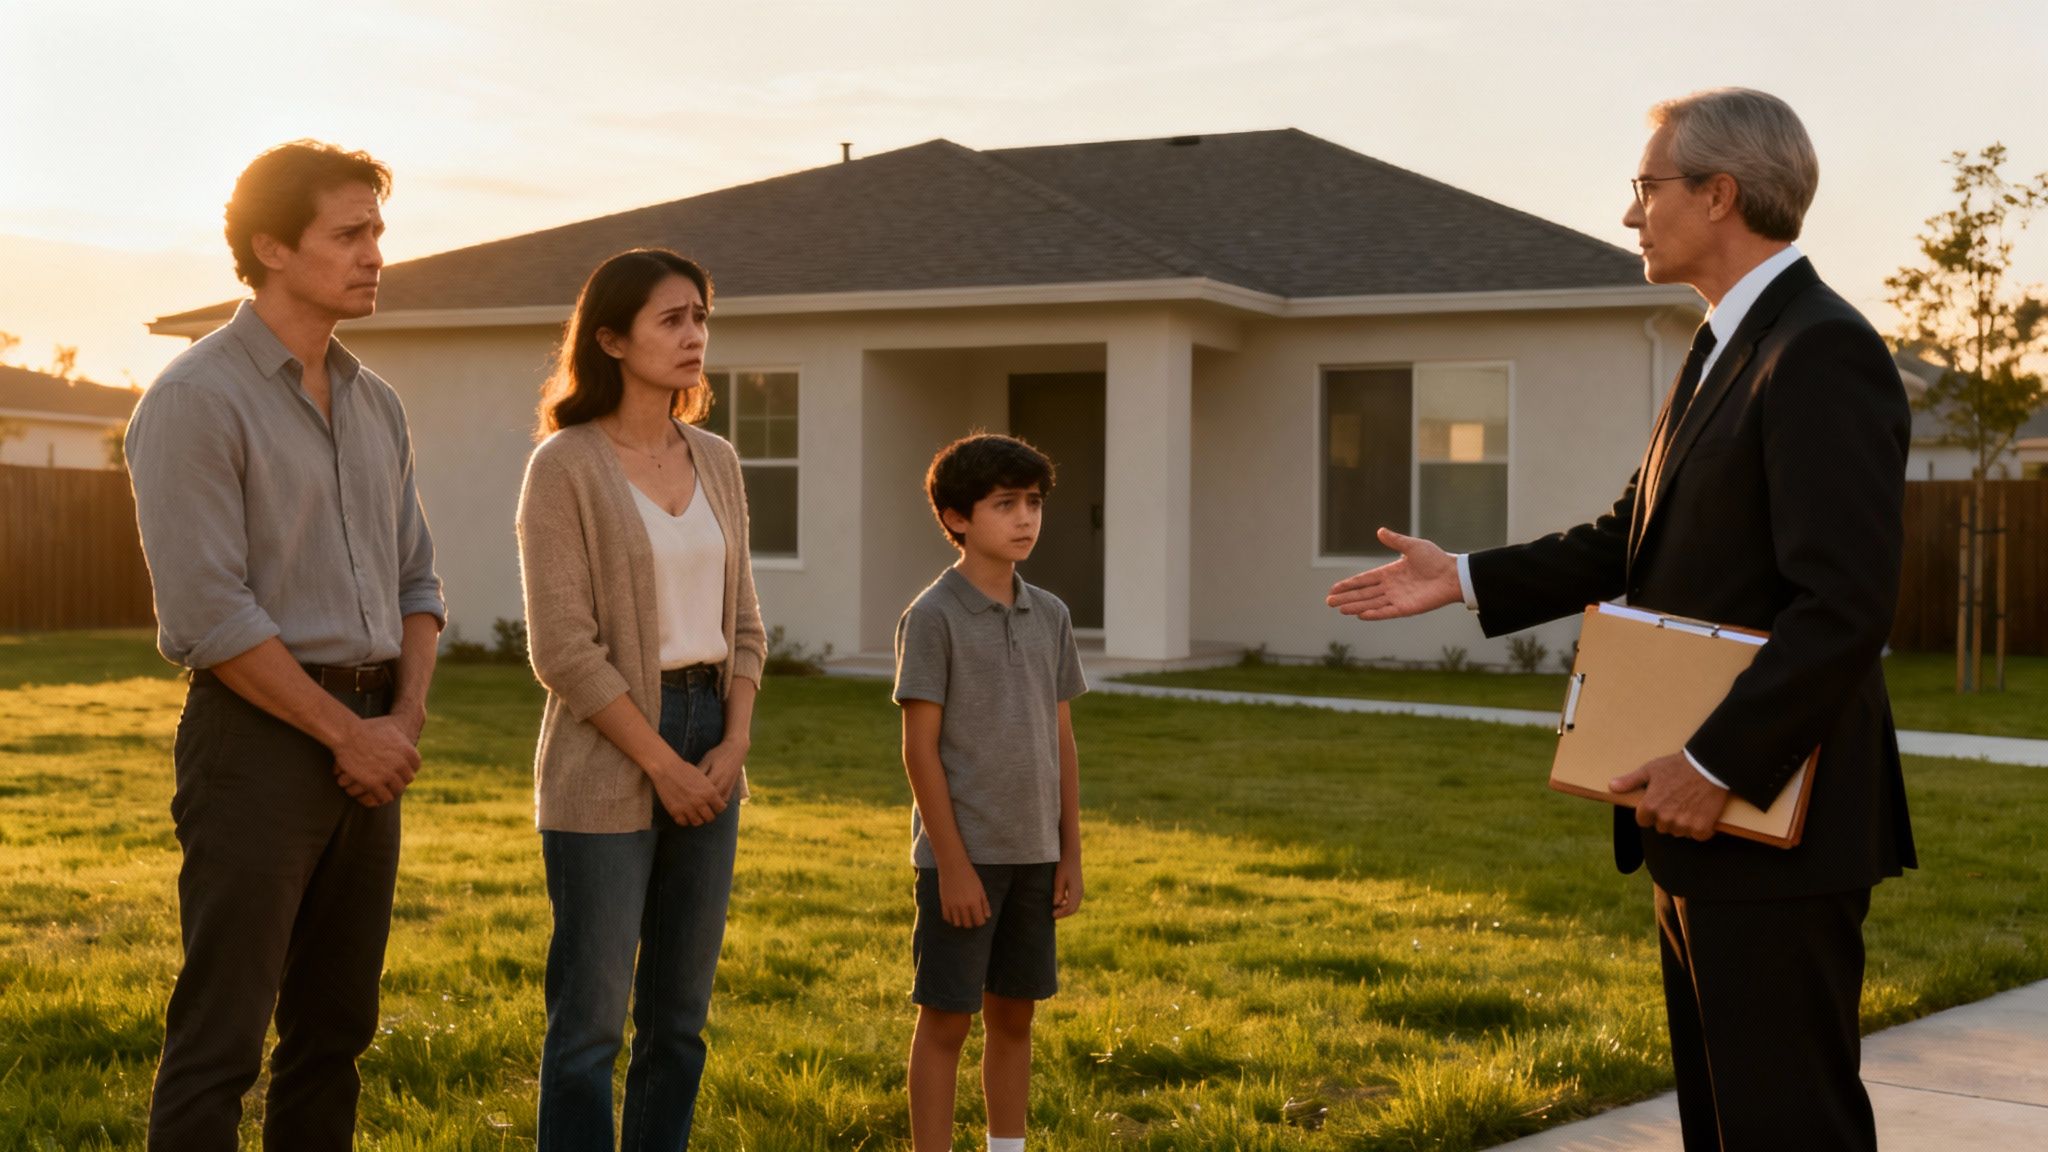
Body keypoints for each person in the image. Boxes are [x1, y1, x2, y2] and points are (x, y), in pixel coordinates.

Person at [1327, 88, 1914, 1151]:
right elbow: (1627, 536)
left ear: (1719, 194)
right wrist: (1462, 577)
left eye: (1647, 187)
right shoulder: (1723, 346)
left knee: (1787, 1127)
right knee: (1723, 1125)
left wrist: (1715, 762)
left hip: (1768, 817)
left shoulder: (1818, 350)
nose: (1629, 212)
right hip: (1700, 823)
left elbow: (1843, 605)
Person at [125, 140, 445, 1151]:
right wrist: (345, 735)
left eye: (377, 231)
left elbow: (417, 583)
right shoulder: (195, 398)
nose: (375, 253)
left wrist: (398, 721)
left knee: (335, 1032)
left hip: (375, 739)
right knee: (221, 1036)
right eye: (348, 234)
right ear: (271, 247)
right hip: (258, 742)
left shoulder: (375, 401)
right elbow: (208, 615)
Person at [517, 247, 766, 1149]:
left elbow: (746, 624)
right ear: (612, 340)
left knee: (679, 1021)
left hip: (713, 735)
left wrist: (732, 745)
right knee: (589, 1028)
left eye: (701, 317)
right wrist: (661, 764)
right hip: (610, 749)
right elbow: (563, 650)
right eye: (672, 319)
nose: (694, 335)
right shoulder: (565, 466)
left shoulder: (718, 460)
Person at [893, 433, 1087, 1152]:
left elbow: (1062, 741)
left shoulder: (1052, 615)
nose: (1025, 518)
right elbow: (919, 749)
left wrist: (1069, 853)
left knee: (1015, 1016)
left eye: (1033, 502)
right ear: (956, 518)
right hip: (963, 860)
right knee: (947, 1020)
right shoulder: (932, 616)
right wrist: (953, 865)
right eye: (1005, 504)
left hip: (1035, 854)